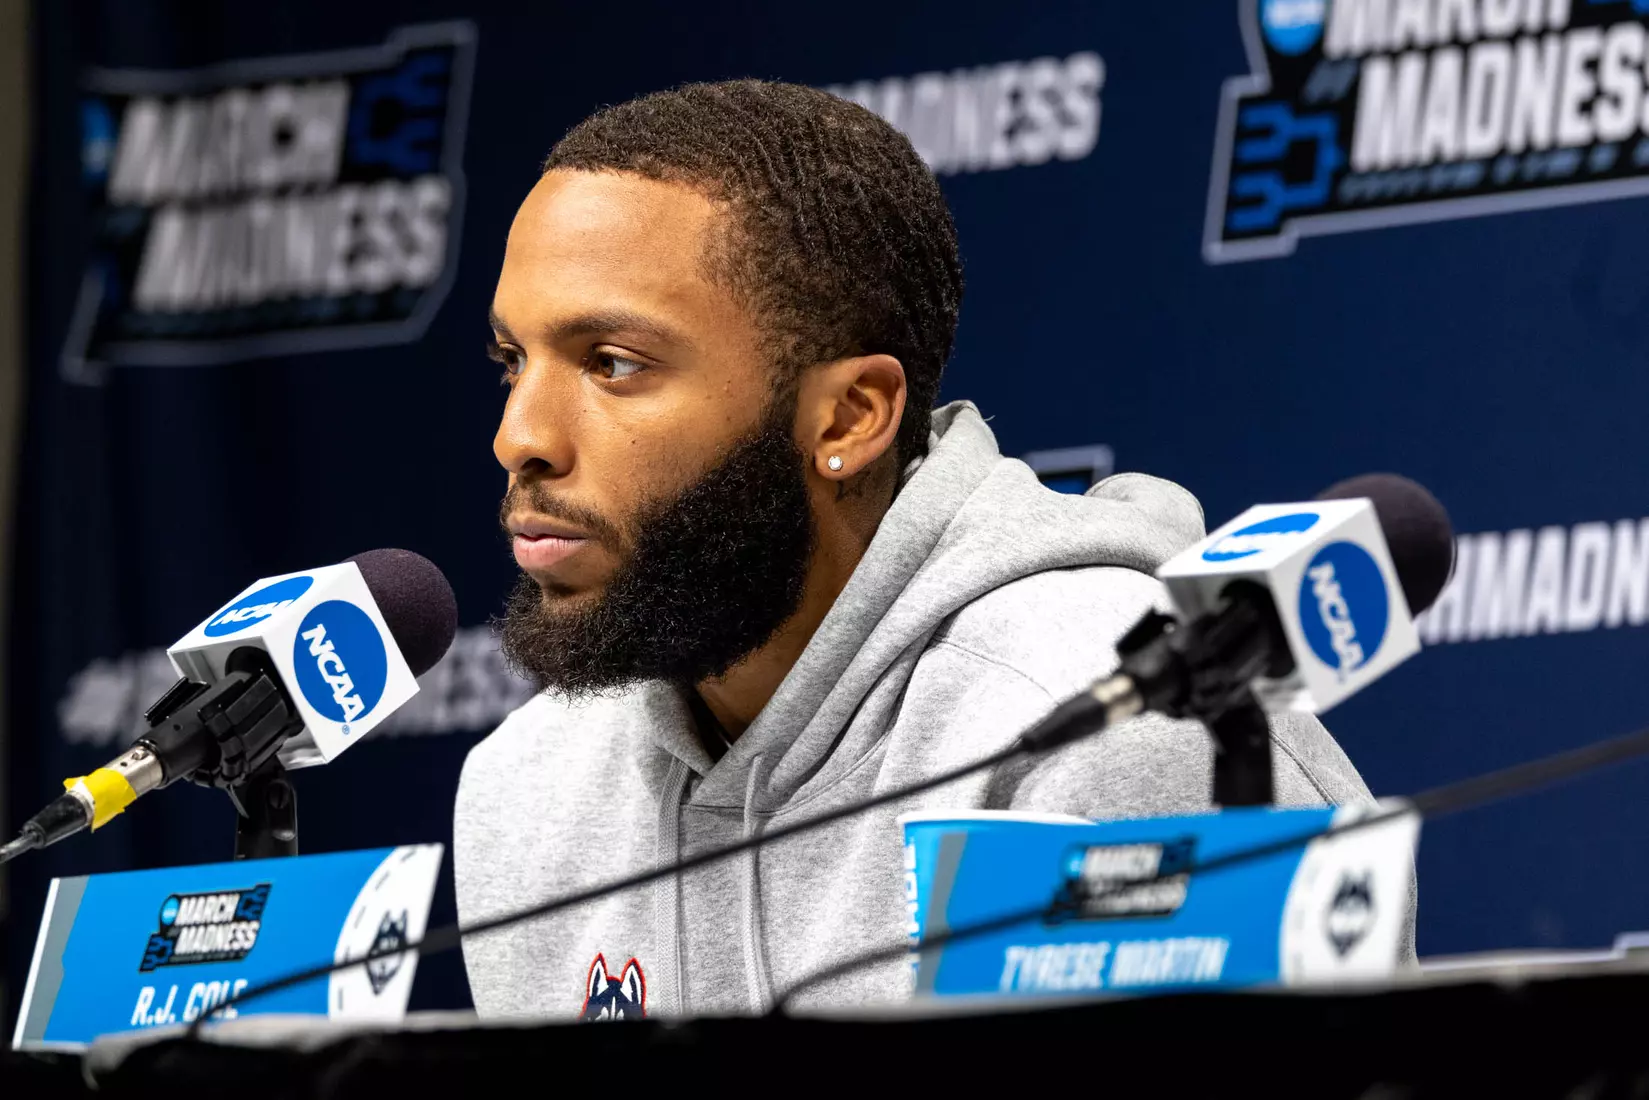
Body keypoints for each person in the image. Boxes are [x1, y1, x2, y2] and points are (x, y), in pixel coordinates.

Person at [455, 79, 1378, 1020]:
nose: (518, 435)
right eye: (511, 361)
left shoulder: (1114, 721)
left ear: (849, 417)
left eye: (614, 363)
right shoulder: (526, 788)